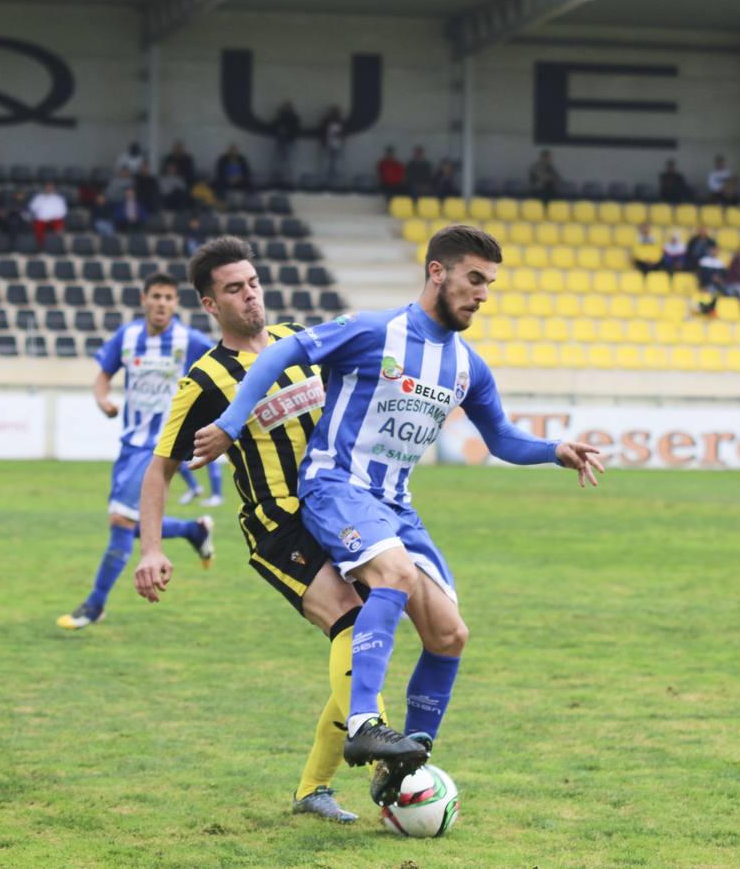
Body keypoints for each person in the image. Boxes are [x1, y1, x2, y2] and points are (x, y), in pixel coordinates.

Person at [188, 225, 604, 807]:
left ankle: (407, 765)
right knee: (395, 576)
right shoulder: (374, 330)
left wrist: (553, 451)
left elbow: (502, 438)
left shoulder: (467, 366)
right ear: (437, 272)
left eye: (490, 284)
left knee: (449, 633)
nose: (483, 294)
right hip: (336, 486)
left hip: (395, 506)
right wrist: (233, 420)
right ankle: (364, 728)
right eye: (474, 279)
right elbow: (287, 349)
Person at [134, 236, 368, 822]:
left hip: (339, 514)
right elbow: (159, 470)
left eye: (253, 282)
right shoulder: (205, 379)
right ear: (211, 305)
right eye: (234, 289)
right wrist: (152, 549)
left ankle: (314, 789)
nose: (250, 295)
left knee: (367, 637)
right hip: (278, 527)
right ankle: (383, 752)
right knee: (352, 619)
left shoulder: (297, 342)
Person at [56, 273, 216, 630]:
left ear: (176, 304)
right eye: (156, 296)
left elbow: (223, 369)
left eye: (169, 297)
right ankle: (193, 530)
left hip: (163, 443)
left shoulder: (188, 340)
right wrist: (102, 400)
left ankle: (95, 605)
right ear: (144, 299)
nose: (162, 303)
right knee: (128, 522)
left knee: (121, 522)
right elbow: (102, 375)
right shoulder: (127, 336)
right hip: (130, 444)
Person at [28, 181, 67, 248]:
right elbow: (32, 208)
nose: (49, 189)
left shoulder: (58, 198)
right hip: (42, 219)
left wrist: (53, 217)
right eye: (47, 187)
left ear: (53, 188)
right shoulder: (39, 198)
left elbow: (62, 211)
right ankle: (40, 246)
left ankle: (56, 246)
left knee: (59, 225)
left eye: (50, 187)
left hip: (54, 220)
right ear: (45, 188)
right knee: (38, 227)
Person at [272, 102, 300, 186]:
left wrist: (287, 131)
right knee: (280, 160)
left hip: (289, 141)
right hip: (281, 141)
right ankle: (280, 179)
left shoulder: (294, 118)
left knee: (289, 161)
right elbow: (274, 126)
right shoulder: (280, 118)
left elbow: (295, 129)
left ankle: (290, 180)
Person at [319, 106, 345, 184]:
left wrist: (339, 134)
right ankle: (325, 181)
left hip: (337, 144)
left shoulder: (340, 122)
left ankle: (336, 182)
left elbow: (343, 133)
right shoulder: (326, 121)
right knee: (326, 163)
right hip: (328, 144)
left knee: (337, 164)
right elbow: (322, 132)